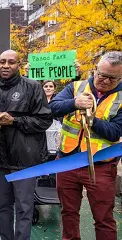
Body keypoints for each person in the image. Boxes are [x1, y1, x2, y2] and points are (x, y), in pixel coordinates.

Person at [49, 51, 122, 240]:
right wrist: (74, 103)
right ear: (95, 69)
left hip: (101, 165)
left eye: (111, 78)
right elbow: (52, 108)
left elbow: (115, 132)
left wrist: (91, 120)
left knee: (104, 218)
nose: (104, 80)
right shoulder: (76, 87)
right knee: (68, 213)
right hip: (67, 160)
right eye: (101, 74)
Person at [0, 50, 52, 240]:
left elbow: (44, 120)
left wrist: (14, 121)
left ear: (18, 65)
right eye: (2, 62)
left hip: (26, 160)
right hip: (0, 159)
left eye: (11, 62)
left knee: (24, 208)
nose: (6, 66)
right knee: (3, 207)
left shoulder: (32, 87)